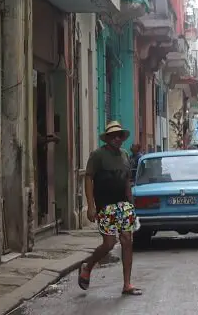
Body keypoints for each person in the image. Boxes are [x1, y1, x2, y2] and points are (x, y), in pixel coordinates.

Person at [78, 121, 142, 296]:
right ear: (107, 138)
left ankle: (127, 284)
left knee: (127, 241)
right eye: (112, 136)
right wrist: (91, 205)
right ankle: (88, 266)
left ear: (122, 138)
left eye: (119, 135)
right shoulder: (97, 155)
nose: (116, 138)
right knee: (109, 244)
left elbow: (127, 181)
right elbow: (88, 178)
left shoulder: (125, 155)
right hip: (105, 206)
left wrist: (132, 205)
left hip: (124, 205)